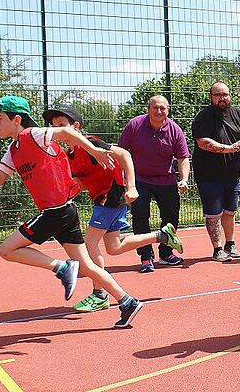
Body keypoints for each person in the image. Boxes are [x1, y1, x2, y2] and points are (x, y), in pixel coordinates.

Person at [0, 96, 142, 327]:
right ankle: (127, 301)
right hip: (64, 211)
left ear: (16, 119)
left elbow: (68, 134)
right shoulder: (13, 149)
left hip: (56, 211)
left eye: (0, 118)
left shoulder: (34, 134)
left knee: (6, 249)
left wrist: (95, 152)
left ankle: (61, 267)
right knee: (87, 266)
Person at [45, 108, 182, 312]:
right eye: (53, 125)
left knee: (90, 242)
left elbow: (124, 154)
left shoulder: (91, 143)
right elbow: (84, 179)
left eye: (61, 124)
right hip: (103, 198)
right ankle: (161, 235)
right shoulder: (70, 155)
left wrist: (132, 186)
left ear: (75, 127)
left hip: (111, 196)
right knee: (114, 247)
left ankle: (99, 294)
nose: (56, 129)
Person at [118, 95, 190, 273]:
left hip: (165, 179)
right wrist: (126, 181)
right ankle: (145, 257)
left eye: (162, 108)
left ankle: (166, 254)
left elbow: (182, 158)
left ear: (168, 110)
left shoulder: (174, 129)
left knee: (171, 215)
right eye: (155, 108)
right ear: (148, 109)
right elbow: (121, 152)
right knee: (140, 215)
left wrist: (184, 179)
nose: (159, 111)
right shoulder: (135, 125)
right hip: (139, 179)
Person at [191, 82, 240, 262]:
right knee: (213, 214)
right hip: (208, 175)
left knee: (230, 211)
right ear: (211, 96)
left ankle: (230, 243)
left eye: (225, 94)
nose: (222, 98)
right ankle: (217, 248)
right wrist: (228, 148)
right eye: (218, 95)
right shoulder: (203, 117)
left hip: (232, 174)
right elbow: (203, 142)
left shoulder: (237, 113)